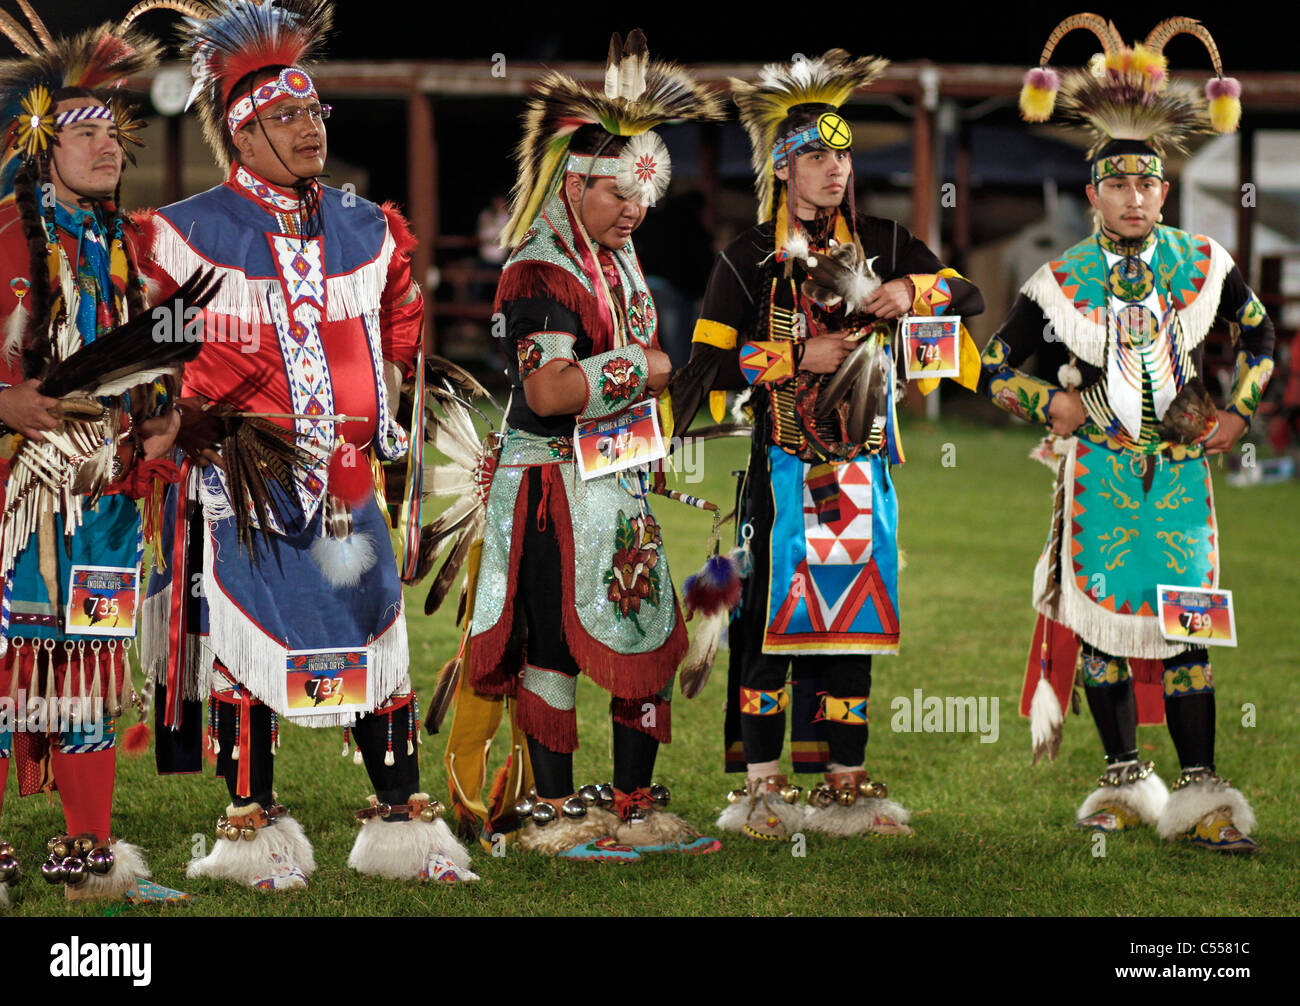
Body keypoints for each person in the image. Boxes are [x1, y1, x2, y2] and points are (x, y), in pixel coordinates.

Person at [132, 0, 475, 887]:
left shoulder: (363, 226)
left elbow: (402, 320)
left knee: (377, 640)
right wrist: (180, 423)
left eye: (315, 112)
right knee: (250, 649)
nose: (308, 128)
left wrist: (394, 393)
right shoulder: (188, 232)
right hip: (244, 481)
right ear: (243, 134)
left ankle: (404, 827)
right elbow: (152, 350)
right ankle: (255, 837)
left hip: (349, 481)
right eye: (284, 117)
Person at [671, 51, 984, 841]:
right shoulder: (747, 261)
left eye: (842, 155)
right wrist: (787, 359)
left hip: (862, 473)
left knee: (852, 622)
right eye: (816, 155)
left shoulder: (880, 242)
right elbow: (699, 375)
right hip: (780, 472)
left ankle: (847, 784)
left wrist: (912, 289)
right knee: (770, 626)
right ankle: (764, 788)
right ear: (784, 168)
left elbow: (967, 294)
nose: (835, 169)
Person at [986, 15, 1272, 852]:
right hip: (1101, 476)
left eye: (1148, 185)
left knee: (1186, 629)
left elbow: (1258, 337)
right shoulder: (1058, 283)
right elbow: (991, 368)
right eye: (1119, 186)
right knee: (1105, 631)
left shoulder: (1203, 263)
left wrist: (1241, 410)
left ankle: (1203, 793)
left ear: (1164, 191)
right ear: (1093, 195)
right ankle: (1122, 782)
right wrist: (1052, 407)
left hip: (1180, 475)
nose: (1136, 198)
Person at [459, 31, 725, 862]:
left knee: (642, 632)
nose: (635, 208)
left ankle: (635, 805)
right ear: (574, 184)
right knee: (555, 646)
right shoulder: (541, 269)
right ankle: (555, 812)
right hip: (548, 489)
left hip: (616, 485)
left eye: (645, 191)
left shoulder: (616, 254)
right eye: (620, 192)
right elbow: (548, 391)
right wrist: (643, 367)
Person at [0, 8, 189, 905]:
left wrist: (164, 418)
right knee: (7, 678)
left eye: (115, 132)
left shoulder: (135, 246)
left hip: (109, 500)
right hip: (15, 506)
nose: (108, 145)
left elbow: (160, 361)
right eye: (86, 132)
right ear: (41, 143)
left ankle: (92, 862)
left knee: (90, 673)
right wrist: (5, 402)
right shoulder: (2, 238)